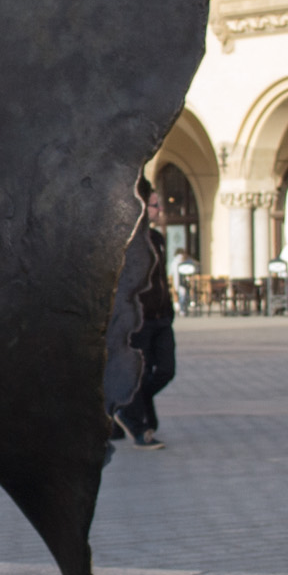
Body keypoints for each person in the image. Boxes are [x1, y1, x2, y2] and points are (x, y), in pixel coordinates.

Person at [114, 182, 178, 449]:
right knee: (139, 374)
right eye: (155, 205)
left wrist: (169, 308)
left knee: (165, 370)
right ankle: (139, 427)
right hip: (138, 320)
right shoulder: (127, 242)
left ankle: (125, 409)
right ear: (142, 208)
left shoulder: (158, 240)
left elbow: (161, 278)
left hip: (162, 318)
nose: (160, 209)